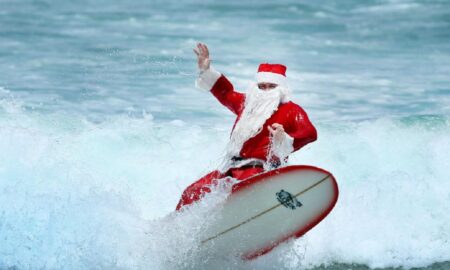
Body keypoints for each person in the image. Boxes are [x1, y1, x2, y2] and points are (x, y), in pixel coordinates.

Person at [175, 43, 317, 211]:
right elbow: (226, 93)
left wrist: (284, 137)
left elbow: (310, 133)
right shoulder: (246, 104)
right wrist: (207, 70)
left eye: (271, 86)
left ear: (282, 88)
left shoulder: (292, 110)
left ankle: (280, 207)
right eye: (261, 86)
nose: (266, 91)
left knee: (237, 194)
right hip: (231, 170)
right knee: (191, 193)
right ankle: (175, 228)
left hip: (262, 172)